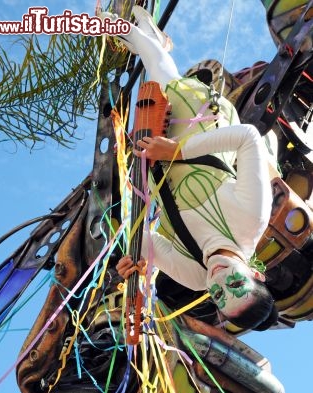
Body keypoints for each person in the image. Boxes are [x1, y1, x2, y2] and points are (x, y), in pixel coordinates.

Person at [105, 6, 278, 331]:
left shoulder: (196, 277)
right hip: (200, 126)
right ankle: (117, 26)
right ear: (255, 274)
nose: (219, 282)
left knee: (159, 67)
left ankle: (150, 35)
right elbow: (248, 138)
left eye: (219, 296)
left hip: (152, 157)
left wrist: (135, 261)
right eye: (236, 285)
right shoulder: (251, 221)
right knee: (161, 71)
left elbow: (148, 242)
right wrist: (178, 149)